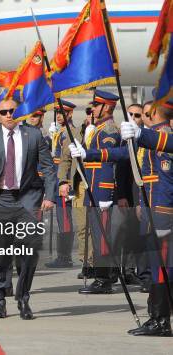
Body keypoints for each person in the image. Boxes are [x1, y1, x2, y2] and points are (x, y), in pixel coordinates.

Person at [69, 101, 172, 337]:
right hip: (152, 213)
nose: (141, 119)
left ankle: (161, 320)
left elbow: (164, 182)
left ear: (154, 114)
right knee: (160, 268)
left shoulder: (162, 137)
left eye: (144, 114)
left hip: (163, 215)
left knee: (162, 269)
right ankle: (157, 318)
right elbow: (123, 154)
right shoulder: (151, 137)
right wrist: (88, 153)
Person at [0, 99, 56, 320]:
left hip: (27, 198)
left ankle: (23, 297)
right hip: (1, 199)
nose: (9, 115)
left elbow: (48, 167)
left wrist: (50, 196)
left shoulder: (33, 135)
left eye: (13, 111)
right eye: (4, 112)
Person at [77, 90, 122, 295]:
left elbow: (108, 160)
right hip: (93, 189)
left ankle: (104, 278)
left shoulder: (110, 130)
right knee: (97, 235)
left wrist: (105, 195)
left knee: (102, 236)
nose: (92, 108)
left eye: (96, 105)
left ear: (107, 107)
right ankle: (107, 274)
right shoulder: (98, 129)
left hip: (102, 191)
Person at [46, 100, 78, 269]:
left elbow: (68, 161)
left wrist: (66, 182)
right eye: (57, 112)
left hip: (64, 182)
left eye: (62, 112)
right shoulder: (61, 132)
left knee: (65, 219)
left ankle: (65, 257)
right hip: (57, 180)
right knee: (61, 218)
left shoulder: (70, 132)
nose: (59, 116)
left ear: (70, 114)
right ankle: (62, 256)